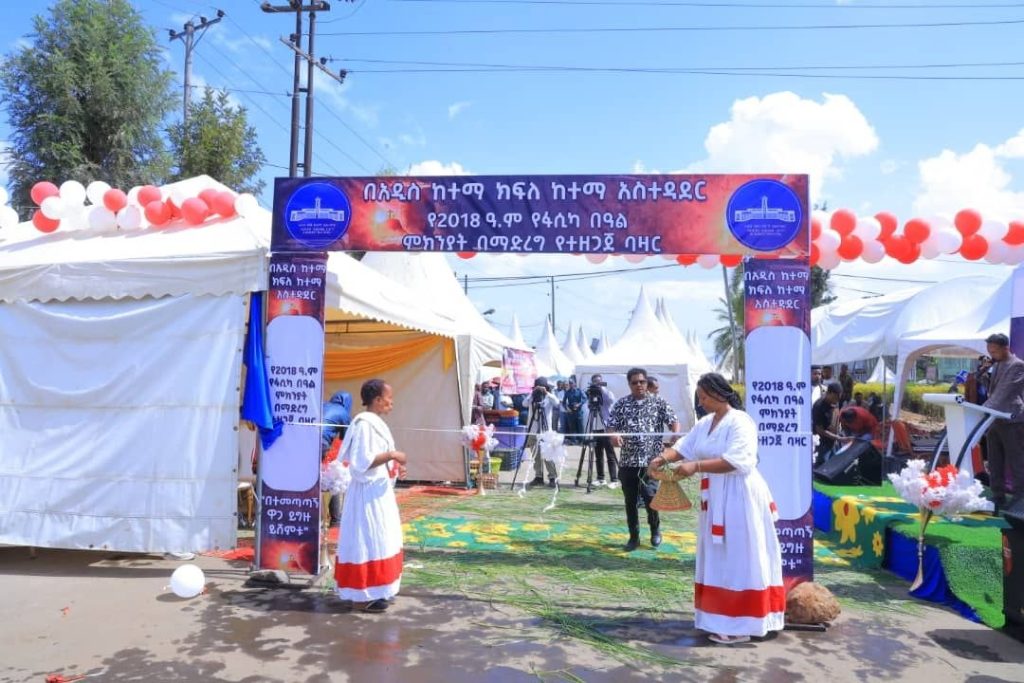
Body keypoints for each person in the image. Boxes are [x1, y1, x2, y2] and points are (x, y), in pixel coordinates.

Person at [648, 373, 784, 645]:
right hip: (715, 498)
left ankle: (744, 623)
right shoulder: (705, 423)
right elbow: (683, 447)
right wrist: (660, 459)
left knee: (741, 557)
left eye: (704, 397)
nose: (701, 402)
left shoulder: (741, 421)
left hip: (740, 497)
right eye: (699, 397)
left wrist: (696, 466)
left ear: (720, 394)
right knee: (718, 558)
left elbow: (739, 461)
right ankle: (720, 618)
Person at [334, 379, 407, 613]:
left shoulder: (374, 423)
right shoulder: (365, 424)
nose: (392, 402)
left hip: (379, 492)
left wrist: (394, 466)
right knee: (367, 540)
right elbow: (361, 462)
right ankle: (362, 596)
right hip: (367, 495)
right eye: (389, 398)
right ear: (377, 400)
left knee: (381, 540)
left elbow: (376, 458)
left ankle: (377, 590)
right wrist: (393, 455)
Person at [608, 367, 680, 551]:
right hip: (628, 462)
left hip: (651, 462)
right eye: (634, 382)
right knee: (630, 501)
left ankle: (655, 530)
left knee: (650, 498)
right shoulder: (621, 404)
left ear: (647, 382)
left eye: (642, 381)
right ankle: (634, 537)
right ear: (629, 384)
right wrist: (614, 435)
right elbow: (611, 425)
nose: (639, 385)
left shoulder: (658, 402)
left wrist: (675, 433)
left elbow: (673, 421)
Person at [982, 333, 1024, 512]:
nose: (991, 354)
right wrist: (983, 375)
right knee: (994, 460)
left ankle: (1020, 498)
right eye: (989, 351)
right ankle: (998, 495)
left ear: (1006, 348)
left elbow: (1004, 393)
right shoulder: (997, 364)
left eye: (994, 351)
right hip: (995, 419)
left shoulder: (1018, 366)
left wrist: (981, 410)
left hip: (1012, 419)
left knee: (1017, 460)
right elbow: (993, 390)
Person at [321, 390, 353, 528]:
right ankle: (335, 520)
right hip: (322, 445)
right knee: (334, 481)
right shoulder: (344, 413)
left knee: (311, 479)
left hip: (305, 442)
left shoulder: (322, 405)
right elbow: (345, 439)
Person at [527, 377, 562, 488]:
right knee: (535, 455)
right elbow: (524, 403)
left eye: (541, 388)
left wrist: (546, 393)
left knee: (548, 455)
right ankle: (538, 476)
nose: (539, 390)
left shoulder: (549, 397)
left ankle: (552, 477)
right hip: (533, 430)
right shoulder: (532, 396)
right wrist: (533, 393)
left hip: (546, 431)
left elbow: (557, 403)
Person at [587, 374, 619, 488]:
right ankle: (601, 478)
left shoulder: (607, 392)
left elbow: (611, 400)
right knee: (598, 454)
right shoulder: (592, 393)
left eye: (598, 381)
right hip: (596, 427)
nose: (596, 383)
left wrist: (601, 389)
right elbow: (589, 406)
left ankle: (614, 479)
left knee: (610, 454)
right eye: (594, 381)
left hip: (606, 427)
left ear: (602, 381)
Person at [812, 382, 847, 466]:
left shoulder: (835, 402)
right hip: (822, 444)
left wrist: (839, 432)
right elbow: (819, 430)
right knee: (822, 467)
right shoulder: (819, 406)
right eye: (836, 397)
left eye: (839, 398)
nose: (837, 400)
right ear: (829, 393)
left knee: (835, 466)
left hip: (834, 442)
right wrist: (837, 437)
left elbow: (836, 416)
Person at [563, 379, 585, 445]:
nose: (571, 385)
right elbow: (563, 402)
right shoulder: (567, 392)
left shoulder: (579, 391)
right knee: (572, 427)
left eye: (572, 383)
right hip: (571, 412)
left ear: (574, 384)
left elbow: (585, 398)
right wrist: (567, 408)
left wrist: (579, 404)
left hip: (578, 411)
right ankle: (573, 441)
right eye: (570, 384)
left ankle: (581, 441)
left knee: (580, 426)